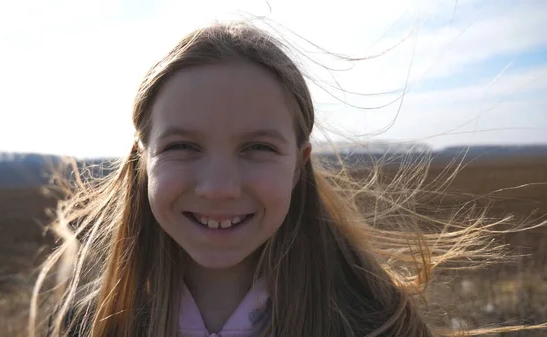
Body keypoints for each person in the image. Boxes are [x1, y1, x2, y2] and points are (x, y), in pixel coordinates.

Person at [30, 21, 543, 337]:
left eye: (257, 148)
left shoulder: (372, 321)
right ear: (143, 160)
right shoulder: (89, 323)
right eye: (183, 147)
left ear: (300, 165)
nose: (218, 187)